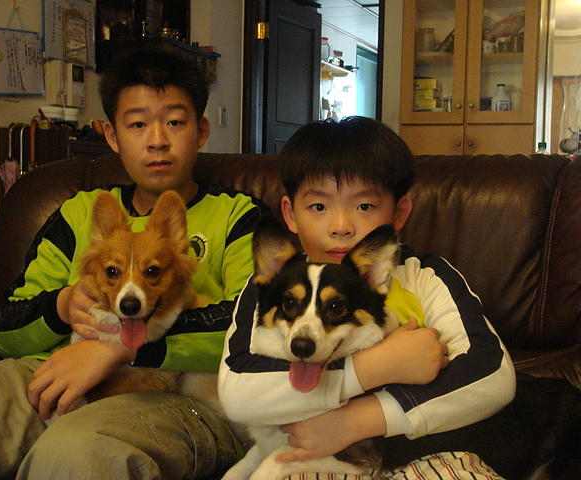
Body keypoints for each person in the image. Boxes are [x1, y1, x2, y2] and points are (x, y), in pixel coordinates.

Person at [0, 45, 268, 479]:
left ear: (201, 130)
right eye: (138, 124)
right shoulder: (79, 211)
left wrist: (117, 348)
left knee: (76, 452)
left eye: (174, 122)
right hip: (54, 369)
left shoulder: (240, 215)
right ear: (112, 135)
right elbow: (2, 328)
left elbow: (256, 326)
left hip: (176, 392)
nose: (157, 140)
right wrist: (62, 305)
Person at [218, 116, 516, 479]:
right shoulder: (273, 284)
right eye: (318, 206)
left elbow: (492, 375)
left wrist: (355, 421)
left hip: (425, 449)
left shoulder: (425, 277)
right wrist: (375, 367)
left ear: (399, 213)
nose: (341, 226)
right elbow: (237, 395)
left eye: (364, 207)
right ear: (290, 214)